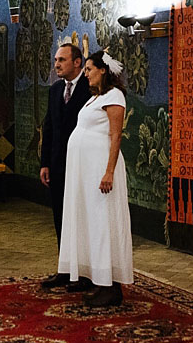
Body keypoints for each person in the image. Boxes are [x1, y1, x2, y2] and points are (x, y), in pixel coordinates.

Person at [57, 50, 132, 307]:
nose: (86, 74)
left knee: (104, 223)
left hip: (102, 169)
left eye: (89, 69)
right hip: (86, 172)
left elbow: (115, 136)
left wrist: (109, 171)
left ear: (103, 70)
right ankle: (99, 280)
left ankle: (111, 287)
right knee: (93, 222)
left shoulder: (115, 96)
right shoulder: (95, 98)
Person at [38, 43, 91, 290]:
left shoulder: (91, 89)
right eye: (55, 60)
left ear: (77, 62)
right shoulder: (56, 89)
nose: (56, 64)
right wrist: (45, 163)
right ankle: (65, 268)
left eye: (61, 60)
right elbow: (49, 128)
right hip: (58, 166)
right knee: (61, 218)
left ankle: (85, 273)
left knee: (82, 218)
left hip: (83, 166)